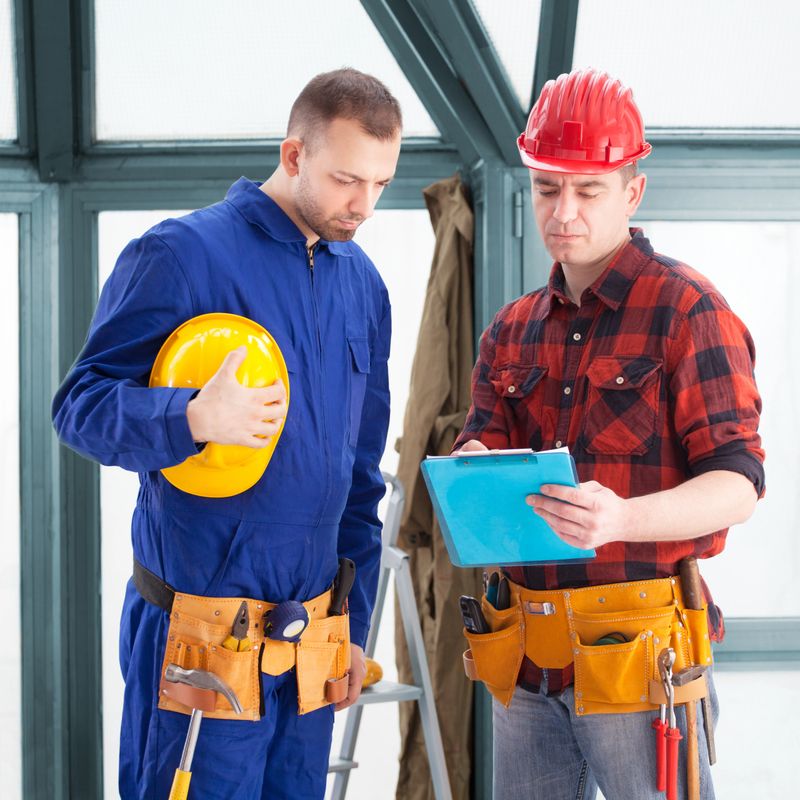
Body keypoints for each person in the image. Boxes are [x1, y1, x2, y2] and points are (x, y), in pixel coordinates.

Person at [52, 68, 401, 799]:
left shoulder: (362, 284)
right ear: (294, 154)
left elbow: (361, 481)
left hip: (308, 649)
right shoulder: (182, 255)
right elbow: (79, 406)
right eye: (346, 179)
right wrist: (189, 419)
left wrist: (354, 630)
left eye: (379, 183)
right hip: (200, 645)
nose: (363, 205)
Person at [454, 67, 764, 799]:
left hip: (641, 659)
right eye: (546, 187)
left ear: (632, 191)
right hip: (524, 659)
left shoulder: (688, 312)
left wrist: (623, 518)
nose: (563, 211)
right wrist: (471, 469)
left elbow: (737, 484)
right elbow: (483, 449)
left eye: (587, 190)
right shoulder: (511, 329)